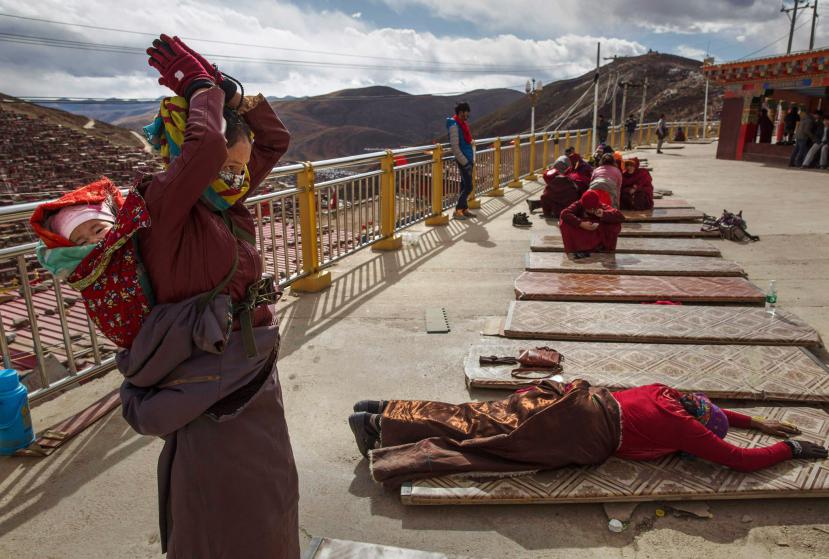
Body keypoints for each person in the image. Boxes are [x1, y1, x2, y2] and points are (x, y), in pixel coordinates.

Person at [89, 35, 295, 558]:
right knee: (223, 515)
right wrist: (200, 88)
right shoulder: (163, 205)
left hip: (249, 369)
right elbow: (206, 149)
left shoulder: (222, 199)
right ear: (187, 156)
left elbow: (276, 141)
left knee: (270, 500)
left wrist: (231, 95)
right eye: (227, 166)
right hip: (210, 387)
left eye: (239, 168)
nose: (236, 176)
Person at [347, 380, 827, 487]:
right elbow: (739, 461)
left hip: (568, 397)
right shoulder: (686, 429)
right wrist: (793, 448)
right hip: (578, 431)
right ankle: (374, 426)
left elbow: (714, 412)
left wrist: (756, 420)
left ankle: (383, 410)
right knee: (488, 444)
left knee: (478, 415)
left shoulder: (666, 394)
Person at [558, 190, 625, 256]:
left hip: (596, 233)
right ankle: (578, 248)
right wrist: (581, 223)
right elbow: (564, 213)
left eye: (593, 209)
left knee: (615, 224)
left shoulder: (600, 206)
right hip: (582, 234)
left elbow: (620, 217)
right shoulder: (579, 204)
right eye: (589, 209)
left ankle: (600, 246)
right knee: (564, 222)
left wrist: (603, 214)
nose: (591, 211)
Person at [447, 101, 475, 220]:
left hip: (468, 159)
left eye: (468, 113)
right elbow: (455, 146)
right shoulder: (454, 125)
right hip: (464, 160)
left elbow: (465, 142)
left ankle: (464, 209)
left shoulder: (462, 124)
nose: (467, 115)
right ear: (460, 112)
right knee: (469, 187)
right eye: (465, 113)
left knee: (464, 186)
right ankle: (458, 211)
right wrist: (465, 162)